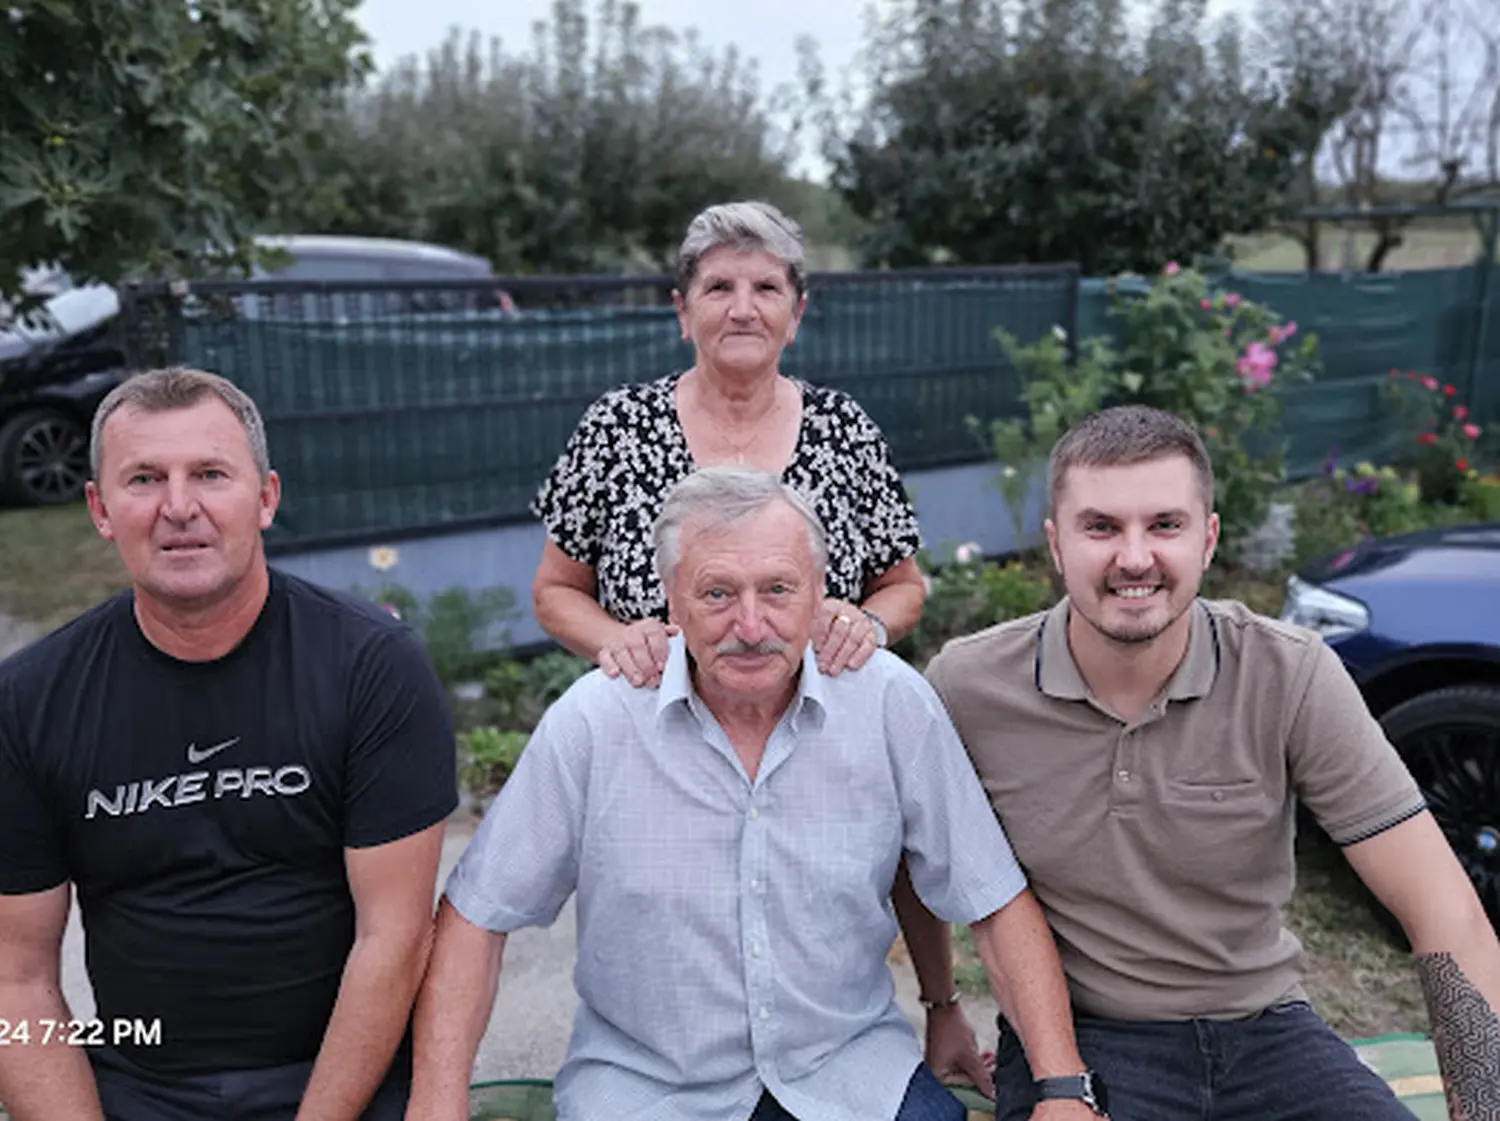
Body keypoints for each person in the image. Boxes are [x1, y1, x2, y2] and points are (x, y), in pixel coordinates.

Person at [408, 467, 1105, 1121]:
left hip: (851, 1075)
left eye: (778, 589)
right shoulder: (597, 720)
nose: (750, 625)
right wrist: (435, 1106)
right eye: (717, 593)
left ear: (819, 590)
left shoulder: (889, 703)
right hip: (648, 1091)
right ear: (671, 596)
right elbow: (477, 912)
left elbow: (993, 897)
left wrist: (1063, 1087)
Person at [923, 404, 1500, 1120]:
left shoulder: (1289, 674)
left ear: (1209, 538)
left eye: (1165, 524)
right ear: (1055, 544)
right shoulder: (970, 687)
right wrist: (941, 1002)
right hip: (1083, 1039)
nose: (1134, 557)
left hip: (1267, 1030)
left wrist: (1484, 1106)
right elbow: (915, 863)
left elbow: (1444, 910)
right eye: (1101, 526)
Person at [0, 367, 458, 1120]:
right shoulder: (30, 700)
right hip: (137, 1078)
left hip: (342, 1074)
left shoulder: (371, 666)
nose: (179, 507)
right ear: (100, 509)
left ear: (266, 497)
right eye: (144, 478)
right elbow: (16, 978)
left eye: (210, 474)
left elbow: (396, 937)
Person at [529, 199, 927, 689]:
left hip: (815, 725)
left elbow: (903, 586)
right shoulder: (616, 427)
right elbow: (555, 589)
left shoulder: (845, 429)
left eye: (765, 288)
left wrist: (866, 626)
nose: (743, 311)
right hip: (649, 721)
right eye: (719, 288)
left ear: (796, 313)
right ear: (683, 310)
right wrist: (615, 641)